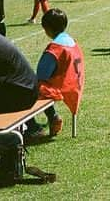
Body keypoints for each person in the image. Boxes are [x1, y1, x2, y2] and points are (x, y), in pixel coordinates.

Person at [26, 9, 83, 140]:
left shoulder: (54, 48)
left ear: (47, 29)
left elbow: (42, 74)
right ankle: (52, 117)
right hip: (74, 83)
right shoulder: (72, 41)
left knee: (25, 88)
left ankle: (33, 126)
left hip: (60, 87)